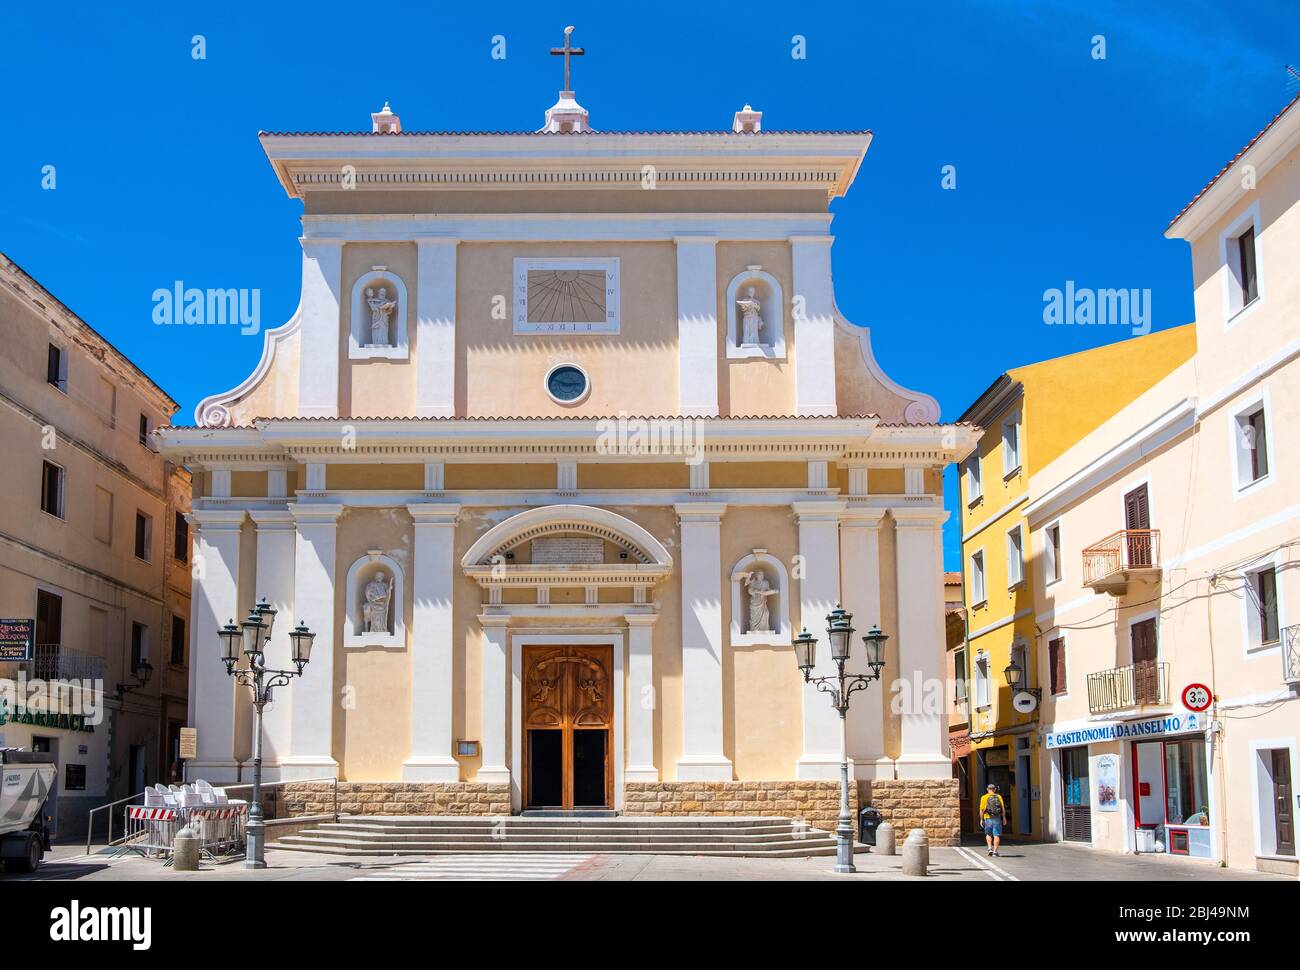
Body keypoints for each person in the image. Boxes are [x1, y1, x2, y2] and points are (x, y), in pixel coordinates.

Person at [979, 783, 1006, 856]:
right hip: (997, 817)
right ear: (995, 789)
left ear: (987, 789)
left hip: (987, 818)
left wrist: (981, 819)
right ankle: (995, 852)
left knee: (988, 834)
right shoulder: (999, 796)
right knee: (996, 835)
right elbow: (1002, 808)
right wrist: (1004, 817)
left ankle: (990, 848)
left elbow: (981, 810)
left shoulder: (984, 797)